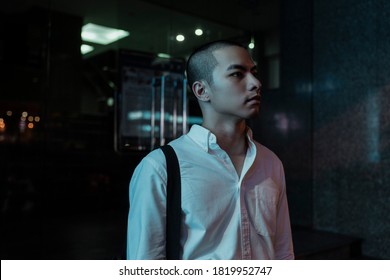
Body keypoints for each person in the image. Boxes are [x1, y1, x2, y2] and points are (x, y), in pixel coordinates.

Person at [126, 40, 294, 260]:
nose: (256, 83)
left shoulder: (270, 162)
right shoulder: (160, 167)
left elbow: (283, 250)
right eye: (237, 74)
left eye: (254, 72)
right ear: (202, 90)